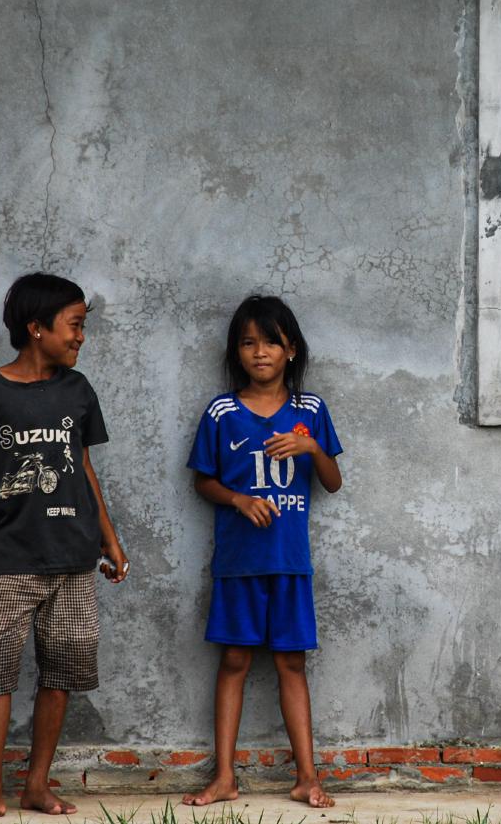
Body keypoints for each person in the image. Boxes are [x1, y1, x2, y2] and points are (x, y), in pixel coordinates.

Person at [0, 273, 129, 822]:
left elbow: (86, 471)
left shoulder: (78, 391)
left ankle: (37, 784)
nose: (81, 338)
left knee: (62, 672)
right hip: (14, 558)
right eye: (74, 326)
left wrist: (110, 540)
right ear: (36, 328)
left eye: (82, 327)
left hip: (74, 558)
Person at [182, 294, 343, 809]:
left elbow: (334, 483)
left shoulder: (310, 411)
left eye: (271, 341)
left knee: (291, 663)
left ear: (291, 349)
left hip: (290, 563)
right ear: (236, 352)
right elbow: (202, 480)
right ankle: (225, 776)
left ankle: (307, 777)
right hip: (238, 562)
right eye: (248, 342)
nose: (260, 352)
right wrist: (238, 499)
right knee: (233, 660)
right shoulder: (222, 411)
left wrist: (312, 449)